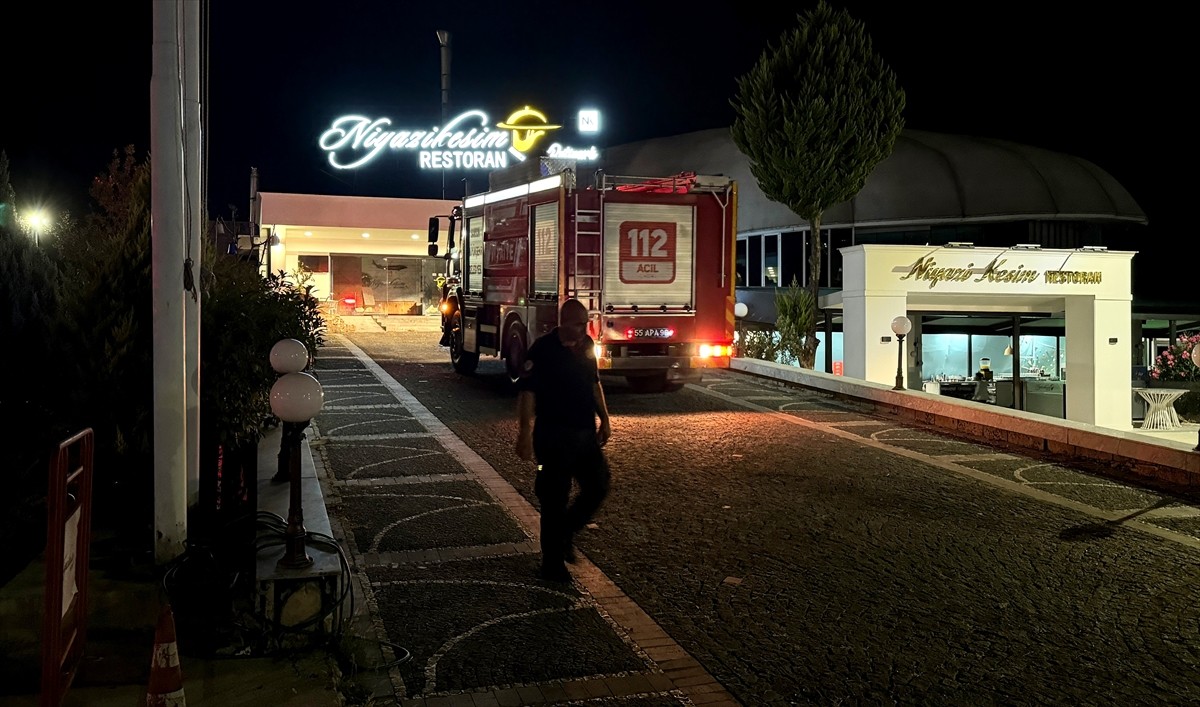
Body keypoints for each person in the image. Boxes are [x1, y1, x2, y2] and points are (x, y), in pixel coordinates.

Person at [515, 299, 612, 582]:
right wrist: (524, 433)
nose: (583, 330)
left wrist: (604, 418)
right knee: (553, 500)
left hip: (584, 435)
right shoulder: (542, 349)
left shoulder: (587, 345)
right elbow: (527, 393)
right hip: (553, 437)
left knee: (598, 486)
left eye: (585, 324)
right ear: (563, 322)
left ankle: (567, 530)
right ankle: (552, 564)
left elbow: (594, 383)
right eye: (578, 325)